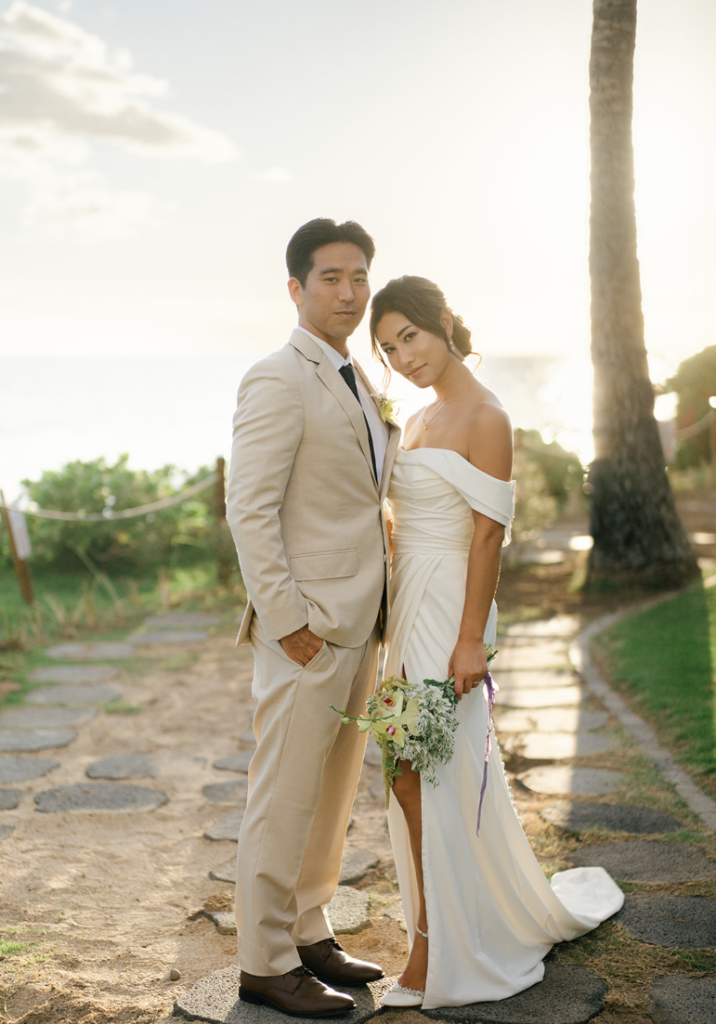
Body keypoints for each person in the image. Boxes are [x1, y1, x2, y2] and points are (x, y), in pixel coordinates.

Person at [369, 276, 624, 1009]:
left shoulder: (487, 414)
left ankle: (437, 953)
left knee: (434, 775)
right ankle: (439, 927)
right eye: (389, 348)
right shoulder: (418, 418)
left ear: (443, 321)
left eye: (409, 336)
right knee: (403, 773)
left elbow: (487, 535)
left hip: (452, 606)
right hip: (409, 598)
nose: (403, 356)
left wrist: (471, 640)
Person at [226, 218, 401, 1018]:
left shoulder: (357, 377)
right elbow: (249, 509)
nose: (350, 292)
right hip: (308, 626)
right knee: (283, 794)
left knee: (330, 794)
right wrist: (288, 617)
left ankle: (308, 929)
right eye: (331, 277)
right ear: (296, 288)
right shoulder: (276, 377)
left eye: (359, 276)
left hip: (361, 619)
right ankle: (264, 962)